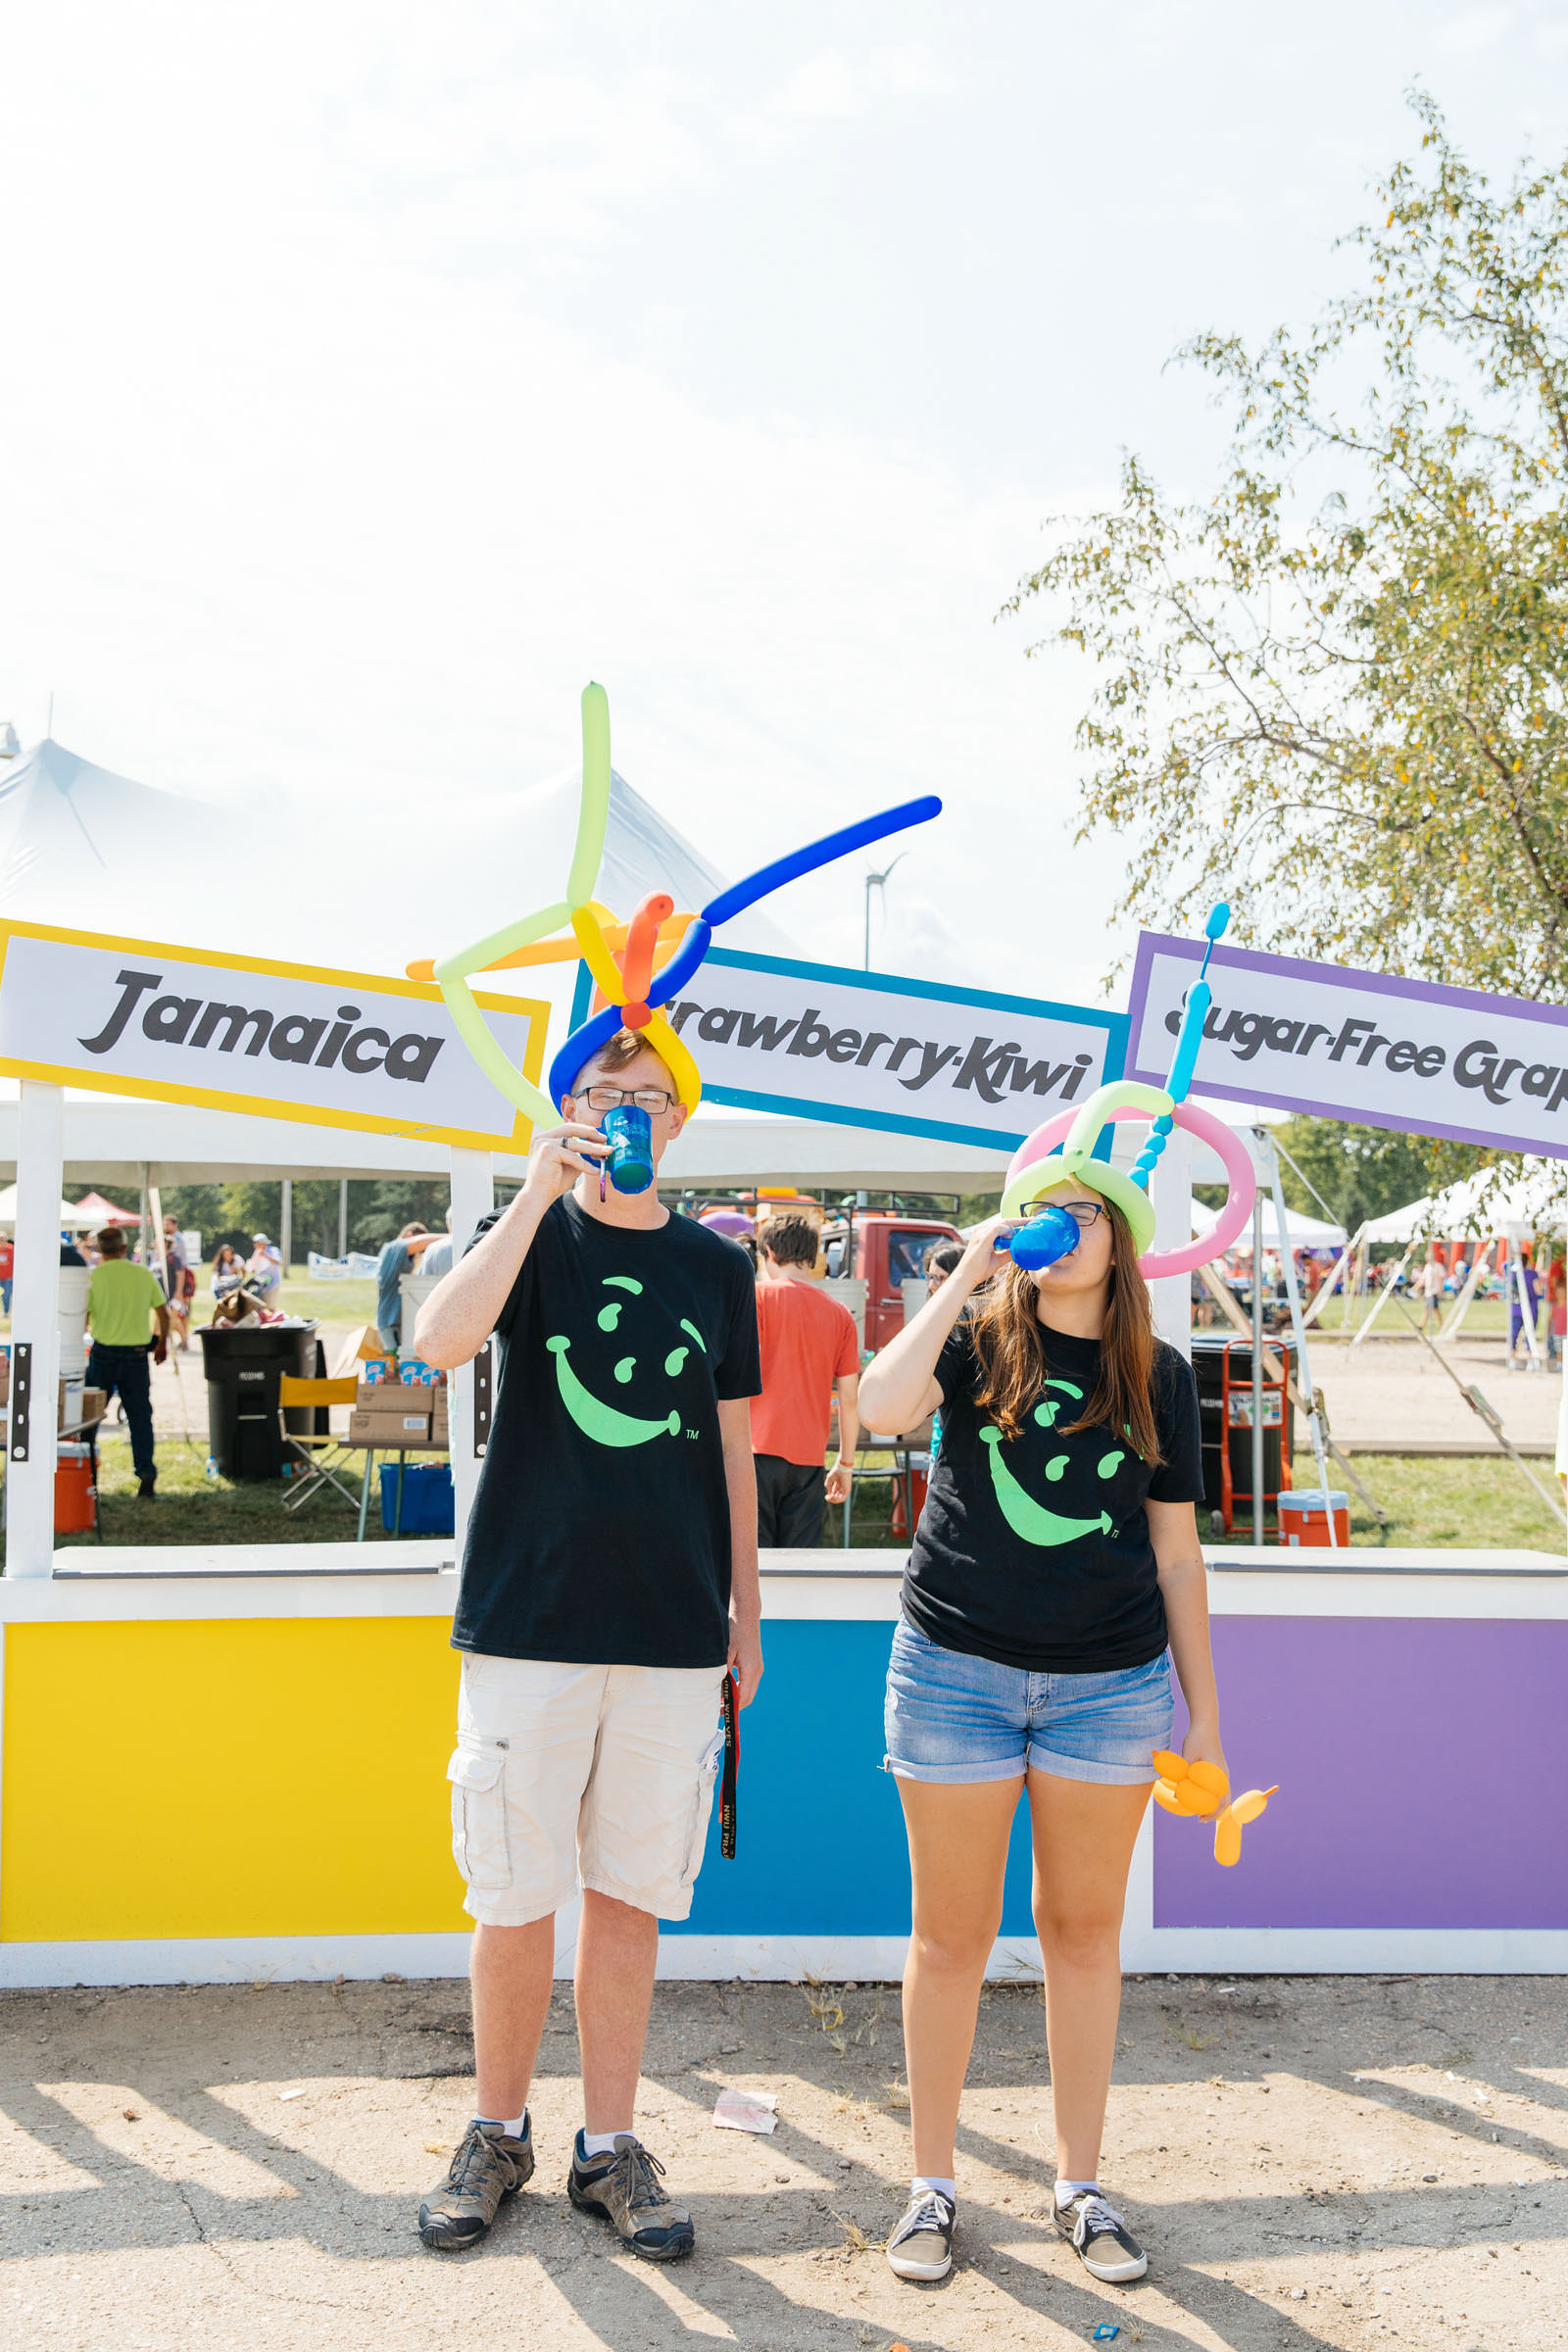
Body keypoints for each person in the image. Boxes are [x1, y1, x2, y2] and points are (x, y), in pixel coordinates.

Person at [411, 1025, 761, 2262]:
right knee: (511, 1892)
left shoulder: (717, 1272)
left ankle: (606, 2149)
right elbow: (442, 1342)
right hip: (529, 1618)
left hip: (670, 1632)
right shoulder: (532, 1236)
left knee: (629, 1897)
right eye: (602, 1093)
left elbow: (731, 1454)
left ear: (679, 1122)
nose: (626, 1112)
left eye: (649, 1097)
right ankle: (494, 2132)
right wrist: (533, 1191)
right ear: (564, 1105)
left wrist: (745, 1614)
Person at [858, 1181, 1215, 2291]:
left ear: (1122, 1246)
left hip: (1109, 1688)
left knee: (1079, 1934)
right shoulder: (975, 1340)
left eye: (1087, 1210)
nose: (1062, 1224)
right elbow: (879, 1410)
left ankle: (1078, 2185)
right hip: (954, 1670)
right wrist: (967, 1269)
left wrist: (1210, 1712)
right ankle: (931, 2186)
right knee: (949, 1940)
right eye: (1044, 1206)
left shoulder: (1159, 1376)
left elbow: (1174, 1553)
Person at [751, 1213, 860, 1547]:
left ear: (769, 1252)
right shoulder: (840, 1313)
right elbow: (850, 1399)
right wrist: (846, 1463)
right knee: (799, 1566)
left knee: (751, 1565)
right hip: (809, 1457)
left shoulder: (754, 1298)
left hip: (754, 1449)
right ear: (813, 1257)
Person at [85, 1225, 171, 1498]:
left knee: (90, 1418)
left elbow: (82, 1317)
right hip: (135, 1356)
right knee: (139, 1417)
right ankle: (145, 1472)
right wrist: (162, 1343)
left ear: (99, 1249)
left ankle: (86, 1475)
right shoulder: (143, 1273)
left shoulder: (94, 1277)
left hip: (103, 1355)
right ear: (124, 1248)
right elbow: (163, 1312)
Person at [922, 1240, 965, 1463]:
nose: (931, 1284)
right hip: (940, 1443)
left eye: (939, 1277)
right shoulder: (938, 1317)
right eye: (929, 1277)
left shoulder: (964, 1324)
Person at [375, 1221, 431, 1353]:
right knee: (395, 1362)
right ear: (409, 1235)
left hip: (392, 1319)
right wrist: (451, 1236)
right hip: (391, 1321)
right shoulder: (394, 1248)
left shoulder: (391, 1251)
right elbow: (417, 1243)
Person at [248, 1232, 282, 1308]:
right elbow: (253, 1265)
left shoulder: (273, 1250)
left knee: (270, 1306)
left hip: (273, 1283)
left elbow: (277, 1262)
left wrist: (265, 1255)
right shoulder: (256, 1252)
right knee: (259, 1305)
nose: (255, 1245)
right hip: (261, 1283)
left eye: (257, 1243)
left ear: (263, 1243)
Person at [1418, 1248, 1446, 1333]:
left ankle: (1421, 1325)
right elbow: (1423, 1280)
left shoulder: (1437, 1266)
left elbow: (1442, 1278)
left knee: (1429, 1309)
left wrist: (1440, 1291)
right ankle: (1441, 1325)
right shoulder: (1427, 1267)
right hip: (1429, 1292)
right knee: (1434, 1309)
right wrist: (1416, 1288)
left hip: (1434, 1291)